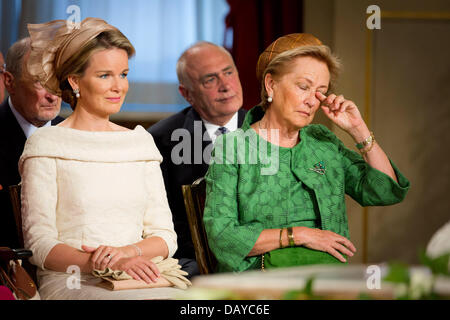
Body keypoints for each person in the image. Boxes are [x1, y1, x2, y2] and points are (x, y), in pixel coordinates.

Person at [203, 34, 410, 273]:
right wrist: (299, 235)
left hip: (326, 278)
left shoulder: (322, 141)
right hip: (259, 280)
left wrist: (358, 129)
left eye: (320, 91)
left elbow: (384, 191)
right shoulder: (233, 147)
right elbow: (222, 235)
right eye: (303, 87)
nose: (312, 100)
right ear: (271, 84)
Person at [19, 18, 180, 299]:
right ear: (75, 80)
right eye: (105, 75)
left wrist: (129, 253)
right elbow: (40, 243)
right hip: (74, 279)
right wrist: (104, 263)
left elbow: (166, 236)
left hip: (142, 274)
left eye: (124, 74)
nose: (119, 87)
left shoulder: (139, 142)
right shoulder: (46, 144)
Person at [148, 42, 247, 276]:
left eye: (229, 72)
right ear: (187, 93)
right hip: (196, 265)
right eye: (210, 80)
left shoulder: (268, 129)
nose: (226, 86)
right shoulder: (159, 141)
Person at [0, 38, 62, 249]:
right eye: (41, 82)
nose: (52, 95)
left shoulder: (77, 135)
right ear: (9, 82)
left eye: (57, 81)